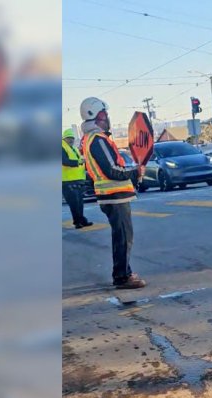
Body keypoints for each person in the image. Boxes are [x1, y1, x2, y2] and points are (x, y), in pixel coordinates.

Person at [79, 96, 146, 289]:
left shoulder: (91, 139)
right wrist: (135, 171)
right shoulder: (98, 141)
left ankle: (124, 271)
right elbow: (112, 170)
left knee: (122, 236)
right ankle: (122, 277)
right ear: (96, 116)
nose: (107, 117)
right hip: (114, 196)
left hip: (111, 196)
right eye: (104, 113)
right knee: (124, 237)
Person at [61, 128, 92, 229]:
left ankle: (82, 220)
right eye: (68, 138)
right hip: (67, 180)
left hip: (77, 179)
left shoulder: (73, 148)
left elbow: (78, 160)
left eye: (72, 138)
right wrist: (78, 162)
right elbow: (64, 161)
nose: (71, 140)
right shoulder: (61, 147)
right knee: (74, 203)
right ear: (64, 138)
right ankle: (77, 222)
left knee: (79, 202)